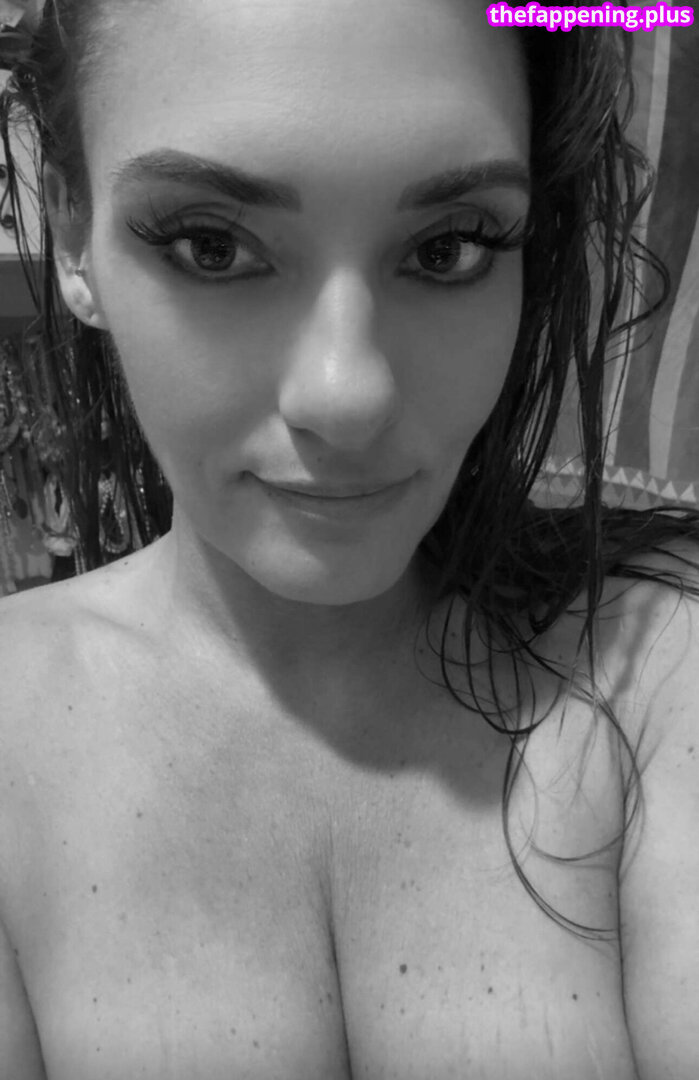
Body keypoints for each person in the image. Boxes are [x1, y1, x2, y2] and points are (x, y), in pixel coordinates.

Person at [0, 0, 698, 1076]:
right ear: (72, 223)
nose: (347, 394)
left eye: (450, 247)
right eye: (211, 246)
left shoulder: (657, 670)